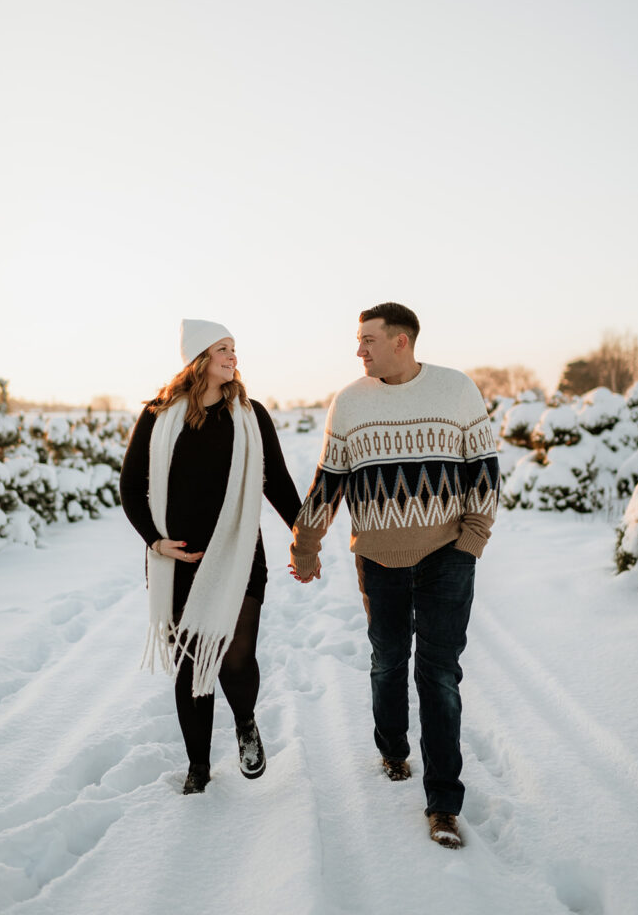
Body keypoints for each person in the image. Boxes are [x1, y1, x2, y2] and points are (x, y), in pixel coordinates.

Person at [289, 302, 499, 849]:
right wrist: (305, 545)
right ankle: (392, 749)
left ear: (401, 341)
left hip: (446, 555)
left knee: (439, 674)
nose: (358, 351)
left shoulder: (456, 390)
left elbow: (484, 471)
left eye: (368, 341)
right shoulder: (350, 402)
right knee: (387, 660)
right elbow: (328, 482)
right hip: (377, 557)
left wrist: (470, 542)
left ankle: (443, 806)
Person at [121, 319, 301, 795]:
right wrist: (155, 542)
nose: (233, 356)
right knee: (191, 668)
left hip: (239, 554)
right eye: (223, 348)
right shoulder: (158, 415)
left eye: (234, 348)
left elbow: (276, 482)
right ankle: (198, 767)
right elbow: (130, 487)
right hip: (177, 560)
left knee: (236, 659)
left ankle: (245, 723)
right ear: (198, 358)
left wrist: (306, 534)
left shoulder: (251, 415)